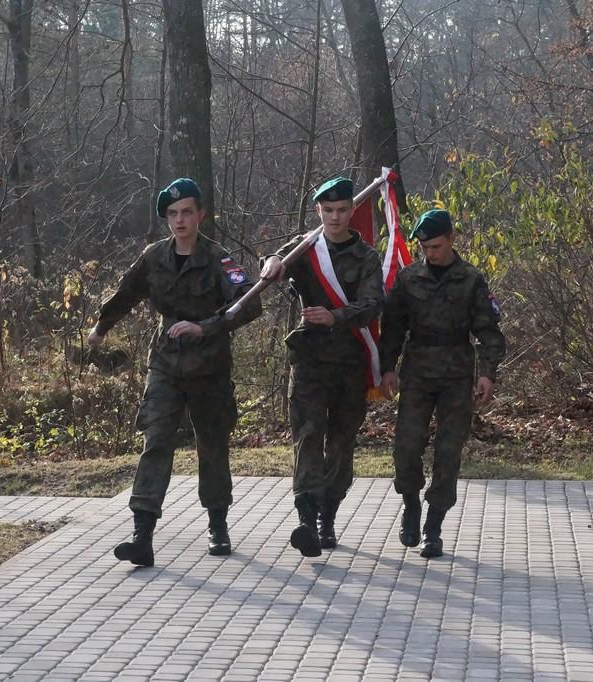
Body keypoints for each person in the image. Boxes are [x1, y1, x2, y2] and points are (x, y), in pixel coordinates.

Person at [88, 178, 261, 566]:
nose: (179, 220)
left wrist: (206, 326)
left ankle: (218, 525)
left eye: (186, 212)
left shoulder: (219, 259)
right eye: (172, 213)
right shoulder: (154, 257)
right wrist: (102, 327)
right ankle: (142, 534)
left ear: (201, 215)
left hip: (209, 365)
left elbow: (249, 303)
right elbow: (126, 293)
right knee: (156, 440)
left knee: (212, 444)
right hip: (166, 362)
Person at [259, 177, 384, 557]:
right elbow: (276, 262)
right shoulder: (307, 248)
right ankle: (307, 518)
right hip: (310, 360)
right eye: (327, 210)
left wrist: (335, 316)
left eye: (342, 210)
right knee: (308, 436)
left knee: (341, 445)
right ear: (318, 211)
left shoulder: (366, 257)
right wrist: (272, 261)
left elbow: (373, 304)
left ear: (352, 211)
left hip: (349, 364)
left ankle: (328, 513)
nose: (335, 217)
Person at [378, 209, 506, 558]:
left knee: (449, 452)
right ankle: (411, 505)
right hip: (417, 371)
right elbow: (392, 328)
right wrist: (387, 368)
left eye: (435, 246)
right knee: (406, 447)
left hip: (456, 375)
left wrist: (487, 373)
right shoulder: (409, 278)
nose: (430, 253)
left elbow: (488, 331)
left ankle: (433, 527)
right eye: (424, 247)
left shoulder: (471, 279)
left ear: (451, 239)